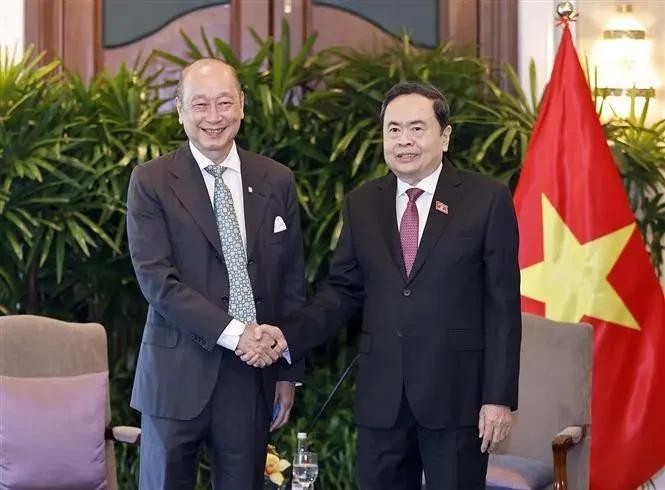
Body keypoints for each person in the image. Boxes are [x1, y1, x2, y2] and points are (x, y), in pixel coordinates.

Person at [241, 82, 522, 490]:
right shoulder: (362, 202)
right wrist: (286, 335)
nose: (403, 140)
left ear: (444, 136)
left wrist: (498, 398)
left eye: (416, 128)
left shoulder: (486, 199)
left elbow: (502, 307)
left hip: (456, 395)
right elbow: (342, 291)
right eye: (393, 129)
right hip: (382, 396)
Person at [126, 58, 306, 490]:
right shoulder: (151, 181)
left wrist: (286, 369)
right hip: (175, 376)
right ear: (180, 109)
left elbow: (292, 280)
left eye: (224, 102)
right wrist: (236, 333)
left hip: (252, 380)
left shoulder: (276, 180)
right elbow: (158, 282)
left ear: (242, 106)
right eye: (200, 104)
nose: (214, 117)